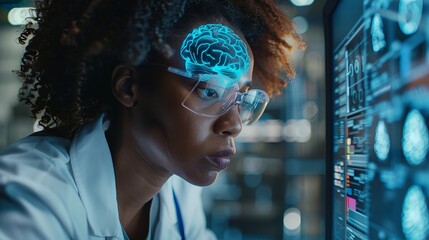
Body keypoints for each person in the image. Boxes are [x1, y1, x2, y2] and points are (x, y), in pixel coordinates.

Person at [0, 0, 304, 239]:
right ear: (129, 87)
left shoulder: (179, 191)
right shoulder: (30, 195)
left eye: (240, 99)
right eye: (210, 92)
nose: (235, 124)